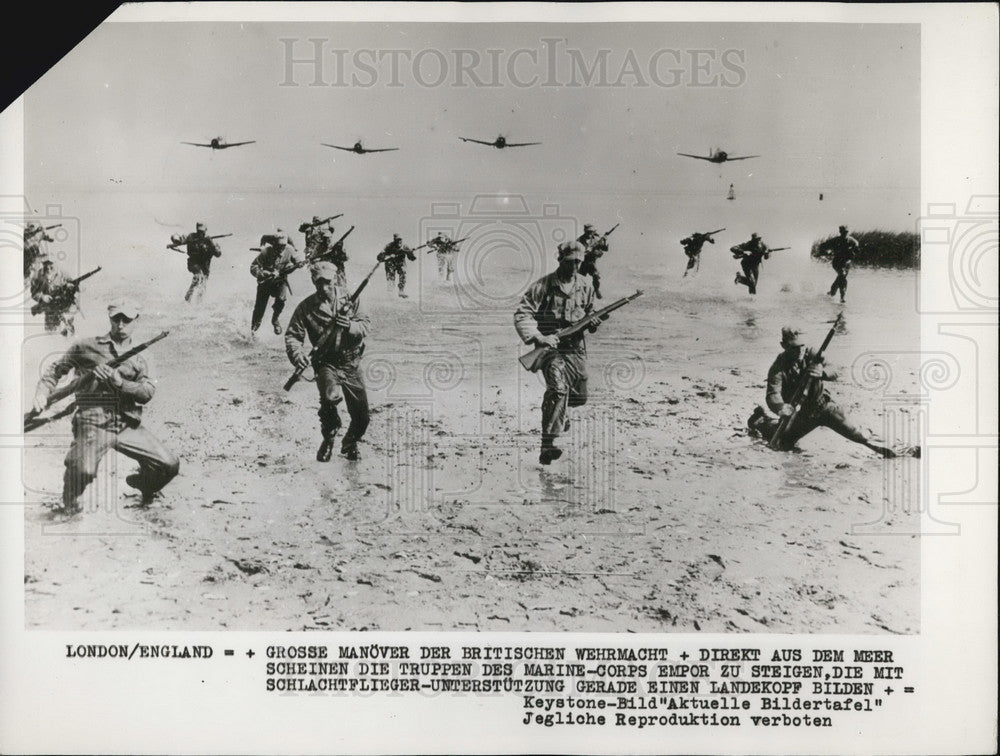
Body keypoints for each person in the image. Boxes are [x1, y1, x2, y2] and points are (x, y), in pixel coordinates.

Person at [30, 302, 180, 514]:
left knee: (169, 464)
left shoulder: (143, 356)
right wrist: (41, 393)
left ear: (136, 321)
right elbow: (55, 370)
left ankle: (145, 485)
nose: (121, 325)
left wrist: (121, 383)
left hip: (125, 422)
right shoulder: (86, 346)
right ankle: (69, 500)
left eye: (126, 320)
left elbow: (147, 393)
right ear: (109, 319)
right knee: (83, 469)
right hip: (92, 419)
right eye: (116, 319)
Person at [747, 326, 897, 457]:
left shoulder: (813, 353)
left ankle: (900, 449)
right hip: (799, 415)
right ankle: (761, 420)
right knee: (781, 442)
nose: (799, 350)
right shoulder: (778, 367)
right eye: (793, 347)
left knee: (859, 435)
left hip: (823, 407)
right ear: (784, 345)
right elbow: (773, 393)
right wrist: (781, 408)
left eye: (801, 346)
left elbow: (835, 369)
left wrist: (823, 372)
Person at [514, 240, 599, 465]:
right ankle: (547, 444)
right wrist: (540, 337)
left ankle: (562, 414)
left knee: (579, 396)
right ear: (560, 260)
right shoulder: (542, 286)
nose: (574, 267)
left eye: (578, 263)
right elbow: (523, 314)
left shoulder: (586, 285)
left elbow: (590, 312)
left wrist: (593, 322)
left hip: (576, 349)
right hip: (551, 348)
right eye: (570, 262)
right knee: (558, 389)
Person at [285, 262, 371, 462]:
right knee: (330, 397)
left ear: (336, 279)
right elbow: (293, 336)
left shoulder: (352, 298)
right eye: (318, 283)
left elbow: (365, 325)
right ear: (314, 282)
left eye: (327, 282)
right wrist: (298, 355)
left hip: (351, 362)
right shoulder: (306, 307)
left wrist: (350, 325)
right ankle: (329, 436)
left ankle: (350, 441)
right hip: (326, 363)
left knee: (362, 417)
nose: (324, 288)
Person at [250, 232, 304, 335]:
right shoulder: (266, 251)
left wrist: (299, 263)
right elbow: (253, 266)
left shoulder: (289, 249)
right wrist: (262, 273)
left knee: (281, 299)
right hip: (266, 282)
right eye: (278, 246)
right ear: (274, 244)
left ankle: (275, 319)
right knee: (259, 308)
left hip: (280, 281)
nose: (280, 248)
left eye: (283, 246)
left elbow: (298, 260)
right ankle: (253, 330)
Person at [173, 222, 222, 303]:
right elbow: (177, 238)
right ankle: (188, 297)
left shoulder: (211, 240)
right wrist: (176, 239)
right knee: (198, 276)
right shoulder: (191, 236)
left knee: (202, 285)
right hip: (193, 263)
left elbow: (218, 254)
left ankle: (198, 305)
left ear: (206, 230)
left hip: (205, 266)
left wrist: (211, 244)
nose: (200, 234)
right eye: (199, 232)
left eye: (202, 232)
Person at [29, 260, 78, 336]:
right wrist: (42, 297)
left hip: (65, 305)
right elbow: (34, 293)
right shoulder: (38, 275)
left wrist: (70, 286)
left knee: (69, 329)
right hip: (50, 309)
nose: (48, 268)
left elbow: (73, 284)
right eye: (46, 264)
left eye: (50, 264)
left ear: (54, 262)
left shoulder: (61, 272)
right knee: (51, 334)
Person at [819, 225, 860, 303]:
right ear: (840, 232)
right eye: (843, 232)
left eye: (846, 232)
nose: (845, 234)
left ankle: (832, 291)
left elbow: (857, 249)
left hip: (847, 263)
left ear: (848, 232)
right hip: (837, 262)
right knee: (842, 275)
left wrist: (854, 252)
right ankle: (842, 298)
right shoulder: (835, 240)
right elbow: (822, 246)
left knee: (841, 277)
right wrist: (826, 253)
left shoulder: (852, 241)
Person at [378, 233, 416, 298]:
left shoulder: (405, 246)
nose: (399, 241)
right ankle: (390, 293)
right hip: (390, 263)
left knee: (403, 272)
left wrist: (410, 253)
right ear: (394, 240)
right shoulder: (388, 246)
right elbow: (379, 257)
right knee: (391, 277)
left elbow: (412, 258)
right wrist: (389, 256)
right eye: (397, 240)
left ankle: (401, 291)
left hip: (400, 263)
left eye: (400, 239)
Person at [577, 223, 609, 299]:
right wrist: (584, 252)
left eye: (591, 232)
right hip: (583, 262)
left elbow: (605, 249)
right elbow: (576, 251)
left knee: (596, 276)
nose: (590, 233)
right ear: (585, 231)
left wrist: (604, 241)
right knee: (579, 279)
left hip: (592, 262)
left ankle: (597, 290)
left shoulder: (596, 239)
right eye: (588, 232)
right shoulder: (579, 240)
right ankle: (580, 294)